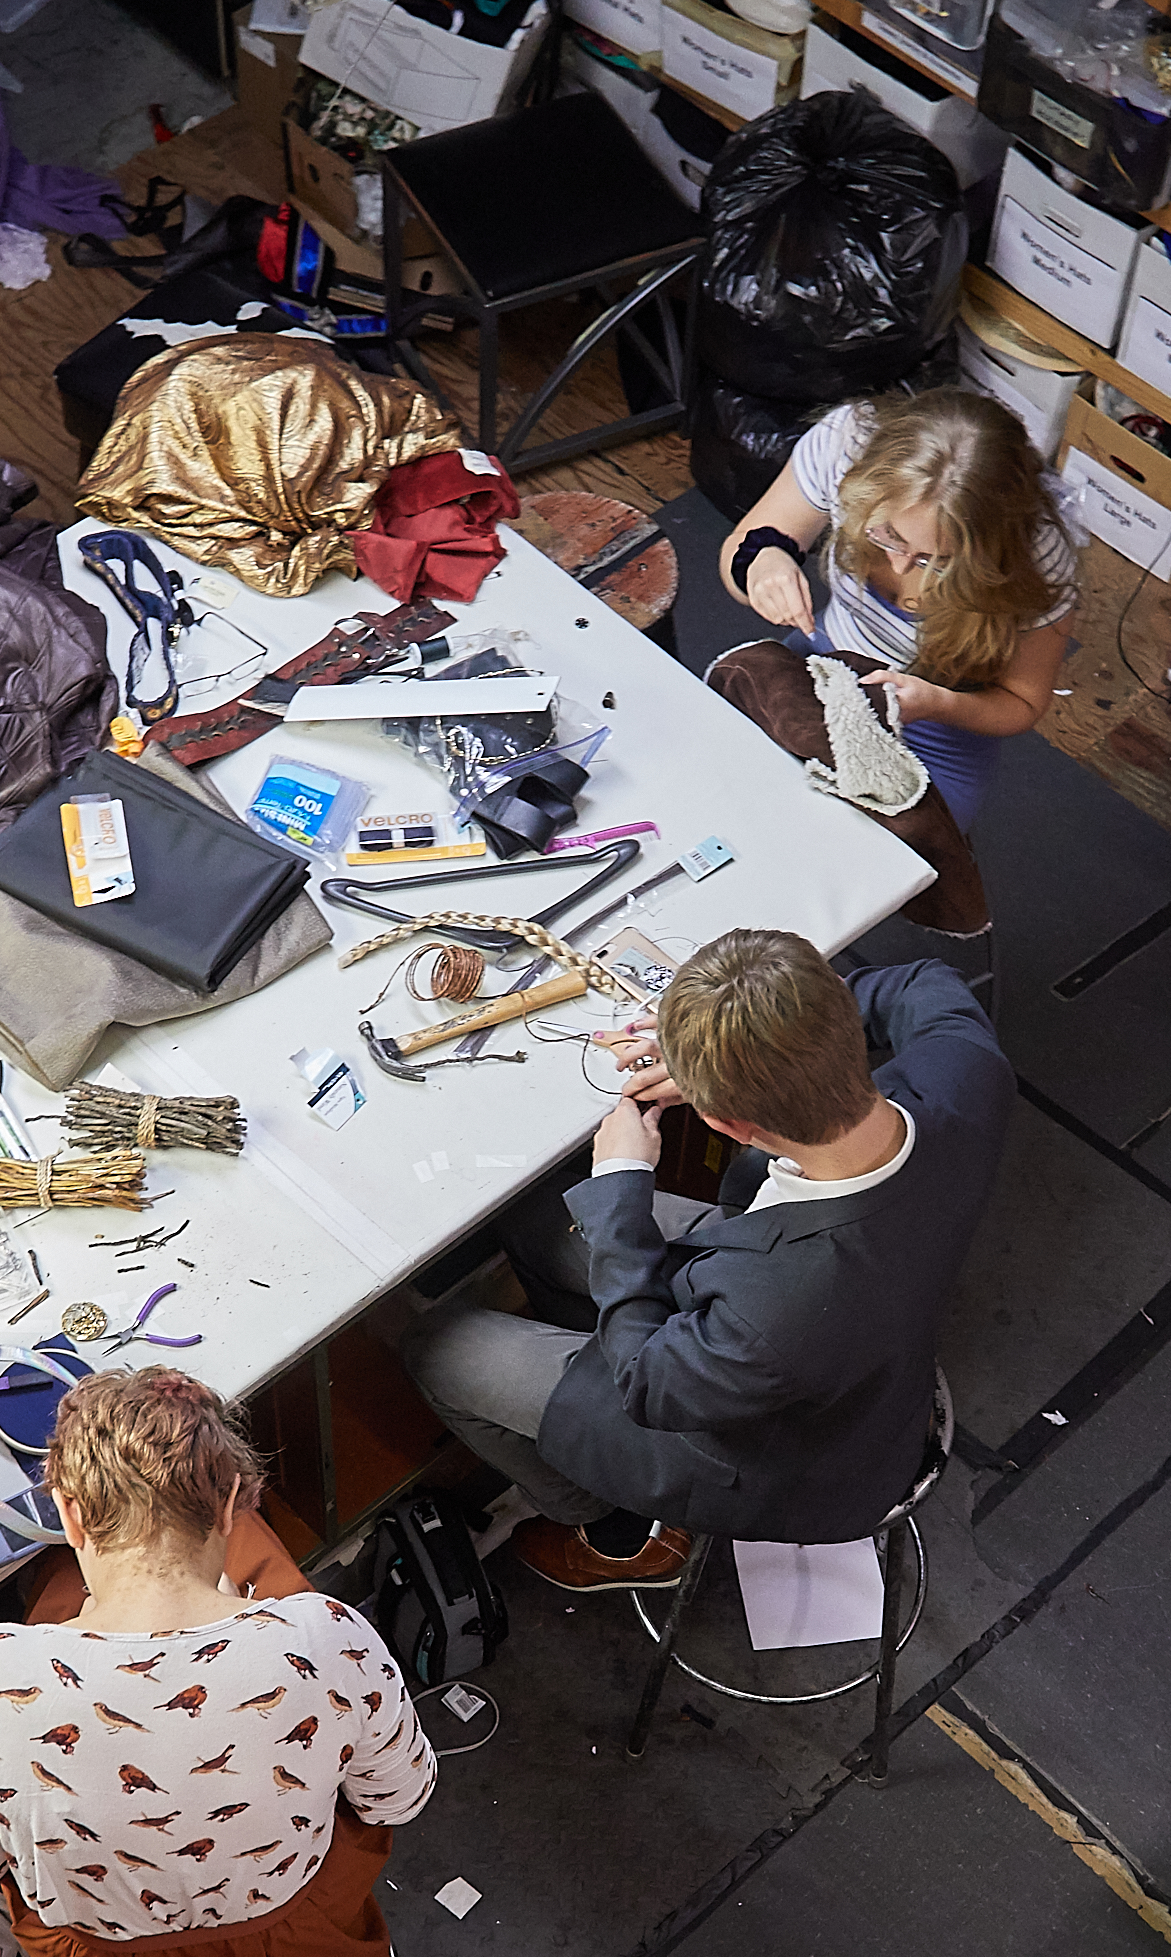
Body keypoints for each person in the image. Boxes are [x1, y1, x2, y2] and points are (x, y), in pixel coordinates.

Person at [405, 929, 1009, 1591]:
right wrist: (751, 1050)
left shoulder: (772, 1310)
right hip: (830, 1326)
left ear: (723, 1123)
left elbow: (646, 1381)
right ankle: (585, 1367)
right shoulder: (967, 1074)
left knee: (436, 1348)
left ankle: (613, 1533)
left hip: (778, 1455)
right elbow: (923, 980)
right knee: (535, 1214)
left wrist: (622, 1184)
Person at [0, 1370, 435, 1944]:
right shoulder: (332, 1638)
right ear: (229, 1506)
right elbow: (397, 1799)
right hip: (303, 1943)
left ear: (68, 1515)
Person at [716, 387, 1080, 834]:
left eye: (935, 559)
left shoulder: (1038, 554)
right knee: (732, 786)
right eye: (888, 534)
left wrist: (936, 703)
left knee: (877, 845)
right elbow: (738, 556)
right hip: (824, 665)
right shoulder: (844, 446)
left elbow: (1022, 702)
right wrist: (763, 563)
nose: (901, 565)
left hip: (935, 720)